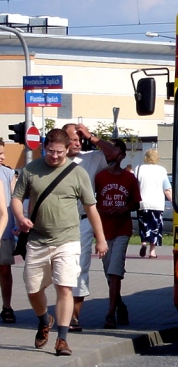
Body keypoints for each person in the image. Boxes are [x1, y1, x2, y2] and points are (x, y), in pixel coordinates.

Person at [11, 128, 108, 356]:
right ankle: (45, 319)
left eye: (59, 152)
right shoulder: (30, 170)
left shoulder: (77, 173)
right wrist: (21, 218)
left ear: (68, 150)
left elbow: (91, 208)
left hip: (68, 240)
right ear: (45, 147)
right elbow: (17, 198)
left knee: (64, 287)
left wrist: (100, 239)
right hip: (37, 240)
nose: (54, 156)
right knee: (33, 289)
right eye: (50, 151)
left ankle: (62, 339)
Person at [63, 122, 120, 332]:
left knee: (80, 268)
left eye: (80, 138)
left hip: (82, 222)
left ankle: (73, 318)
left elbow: (114, 153)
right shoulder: (52, 160)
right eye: (73, 138)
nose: (78, 142)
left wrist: (92, 136)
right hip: (57, 224)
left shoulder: (90, 158)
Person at [94, 139, 140, 328]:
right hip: (104, 231)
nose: (112, 156)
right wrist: (100, 211)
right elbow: (92, 200)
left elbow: (136, 203)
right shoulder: (100, 177)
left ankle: (110, 313)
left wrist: (124, 209)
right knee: (108, 273)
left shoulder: (129, 178)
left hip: (122, 229)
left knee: (115, 272)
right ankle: (120, 305)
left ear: (121, 155)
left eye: (116, 152)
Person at [135, 149, 172, 259]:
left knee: (143, 225)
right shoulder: (161, 171)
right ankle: (152, 251)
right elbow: (167, 189)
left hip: (142, 203)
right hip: (157, 204)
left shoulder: (139, 169)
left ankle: (143, 243)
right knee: (155, 227)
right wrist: (174, 202)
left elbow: (135, 186)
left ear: (146, 157)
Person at [0, 138, 17, 323]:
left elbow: (15, 200)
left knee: (4, 269)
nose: (3, 157)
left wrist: (19, 222)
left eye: (3, 153)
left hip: (4, 232)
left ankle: (7, 306)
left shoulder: (7, 173)